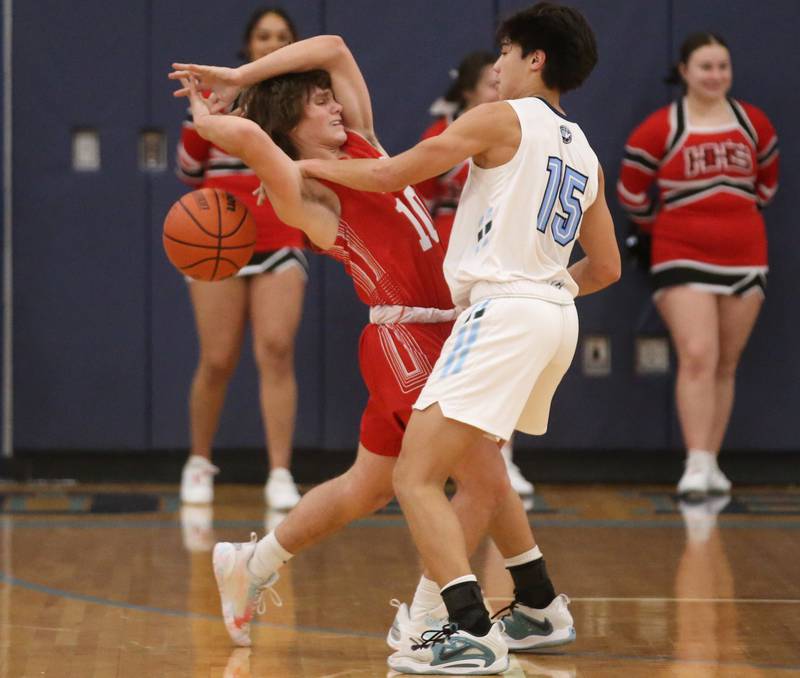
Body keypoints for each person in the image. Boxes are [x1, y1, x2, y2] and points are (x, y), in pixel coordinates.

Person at [170, 28, 574, 673]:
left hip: (450, 324)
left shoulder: (364, 145)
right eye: (319, 102)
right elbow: (250, 140)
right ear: (291, 121)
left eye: (334, 99)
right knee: (480, 468)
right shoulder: (304, 187)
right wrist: (213, 116)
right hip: (404, 336)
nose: (335, 106)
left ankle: (253, 562)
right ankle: (453, 617)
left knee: (368, 487)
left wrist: (241, 74)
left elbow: (331, 46)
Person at [300, 3, 619, 673]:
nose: (496, 66)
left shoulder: (499, 118)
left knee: (417, 476)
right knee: (479, 469)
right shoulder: (583, 146)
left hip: (501, 315)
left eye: (505, 53)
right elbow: (608, 267)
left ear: (535, 58)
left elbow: (392, 175)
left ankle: (465, 631)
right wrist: (546, 290)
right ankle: (535, 605)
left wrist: (307, 168)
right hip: (554, 318)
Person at [617, 32, 779, 497]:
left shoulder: (755, 124)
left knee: (726, 361)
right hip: (679, 252)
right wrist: (667, 228)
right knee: (698, 354)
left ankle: (710, 461)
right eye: (706, 67)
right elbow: (631, 194)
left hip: (746, 253)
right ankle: (693, 463)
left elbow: (766, 182)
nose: (715, 76)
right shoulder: (660, 128)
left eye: (722, 66)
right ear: (684, 71)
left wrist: (736, 218)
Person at [176, 7, 306, 510]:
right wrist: (201, 117)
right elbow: (189, 171)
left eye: (281, 37)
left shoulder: (305, 101)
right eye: (263, 36)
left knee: (275, 350)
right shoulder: (217, 96)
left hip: (282, 237)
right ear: (248, 46)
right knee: (217, 358)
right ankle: (198, 461)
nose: (271, 44)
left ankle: (279, 471)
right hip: (216, 238)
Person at [417, 49, 535, 498]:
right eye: (490, 82)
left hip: (502, 257)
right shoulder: (442, 135)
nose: (498, 88)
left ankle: (502, 458)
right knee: (448, 364)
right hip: (450, 258)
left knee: (500, 362)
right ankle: (444, 460)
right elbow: (417, 201)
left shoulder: (523, 134)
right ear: (467, 90)